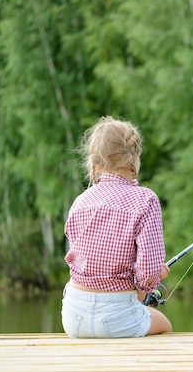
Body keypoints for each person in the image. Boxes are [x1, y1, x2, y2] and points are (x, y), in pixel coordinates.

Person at [61, 116, 172, 338]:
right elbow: (148, 277)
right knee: (165, 326)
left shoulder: (80, 201)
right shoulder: (145, 200)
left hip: (73, 317)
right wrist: (155, 276)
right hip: (118, 317)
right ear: (134, 157)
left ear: (96, 165)